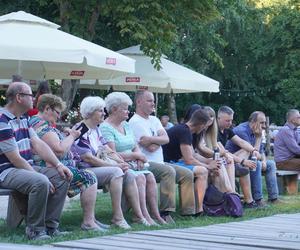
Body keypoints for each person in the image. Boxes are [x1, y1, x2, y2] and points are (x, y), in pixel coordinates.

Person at [0, 82, 72, 240]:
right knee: (40, 182)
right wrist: (41, 177)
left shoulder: (24, 118)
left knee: (61, 176)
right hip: (6, 171)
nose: (35, 98)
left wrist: (59, 165)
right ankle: (35, 230)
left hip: (22, 168)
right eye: (30, 95)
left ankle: (50, 227)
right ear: (19, 97)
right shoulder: (2, 121)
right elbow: (15, 158)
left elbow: (38, 143)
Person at [28, 94, 108, 232]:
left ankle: (90, 220)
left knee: (87, 175)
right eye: (57, 112)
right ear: (47, 108)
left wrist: (64, 135)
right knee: (89, 177)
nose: (59, 117)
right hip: (48, 168)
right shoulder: (41, 125)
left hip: (57, 168)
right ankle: (88, 222)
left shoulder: (43, 124)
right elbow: (60, 151)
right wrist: (72, 136)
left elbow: (56, 146)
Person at [73, 96, 150, 229]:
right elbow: (88, 158)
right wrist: (115, 165)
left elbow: (107, 150)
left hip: (98, 168)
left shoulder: (96, 129)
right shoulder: (81, 129)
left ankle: (139, 216)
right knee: (116, 171)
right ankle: (118, 217)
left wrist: (120, 161)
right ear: (90, 112)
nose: (104, 113)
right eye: (100, 111)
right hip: (85, 169)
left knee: (129, 173)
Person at [129, 90, 196, 222]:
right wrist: (160, 139)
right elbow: (152, 147)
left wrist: (154, 139)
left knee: (187, 173)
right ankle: (165, 212)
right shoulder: (135, 122)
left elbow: (166, 139)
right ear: (139, 102)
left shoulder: (154, 119)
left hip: (160, 162)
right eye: (149, 100)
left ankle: (188, 212)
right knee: (168, 171)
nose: (153, 104)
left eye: (153, 100)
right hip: (146, 163)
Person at [100, 92, 165, 225]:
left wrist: (139, 157)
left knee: (150, 177)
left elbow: (135, 146)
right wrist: (137, 156)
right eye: (124, 108)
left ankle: (156, 215)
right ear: (114, 109)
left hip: (134, 163)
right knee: (140, 178)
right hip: (118, 164)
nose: (128, 111)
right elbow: (112, 154)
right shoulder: (105, 128)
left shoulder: (126, 124)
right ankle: (141, 216)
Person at [162, 108, 210, 216]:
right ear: (201, 124)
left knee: (204, 169)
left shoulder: (184, 130)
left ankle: (205, 206)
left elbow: (192, 155)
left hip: (173, 162)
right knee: (202, 171)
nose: (204, 130)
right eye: (205, 127)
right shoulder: (184, 131)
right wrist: (208, 166)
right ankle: (199, 209)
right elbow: (189, 160)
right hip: (168, 163)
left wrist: (208, 161)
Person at [226, 111, 280, 205]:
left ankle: (273, 198)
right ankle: (257, 199)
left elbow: (260, 152)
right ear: (253, 122)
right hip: (234, 160)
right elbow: (253, 153)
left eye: (265, 123)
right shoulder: (242, 131)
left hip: (247, 159)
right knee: (257, 164)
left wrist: (263, 160)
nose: (264, 126)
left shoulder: (256, 130)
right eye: (261, 122)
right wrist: (258, 138)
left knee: (270, 164)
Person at [195, 106, 235, 193]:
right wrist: (218, 154)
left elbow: (216, 146)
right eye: (208, 122)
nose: (208, 125)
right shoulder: (198, 131)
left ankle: (232, 191)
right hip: (201, 159)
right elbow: (201, 147)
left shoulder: (211, 131)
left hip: (209, 158)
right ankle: (228, 192)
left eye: (211, 122)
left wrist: (225, 155)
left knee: (228, 160)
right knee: (219, 162)